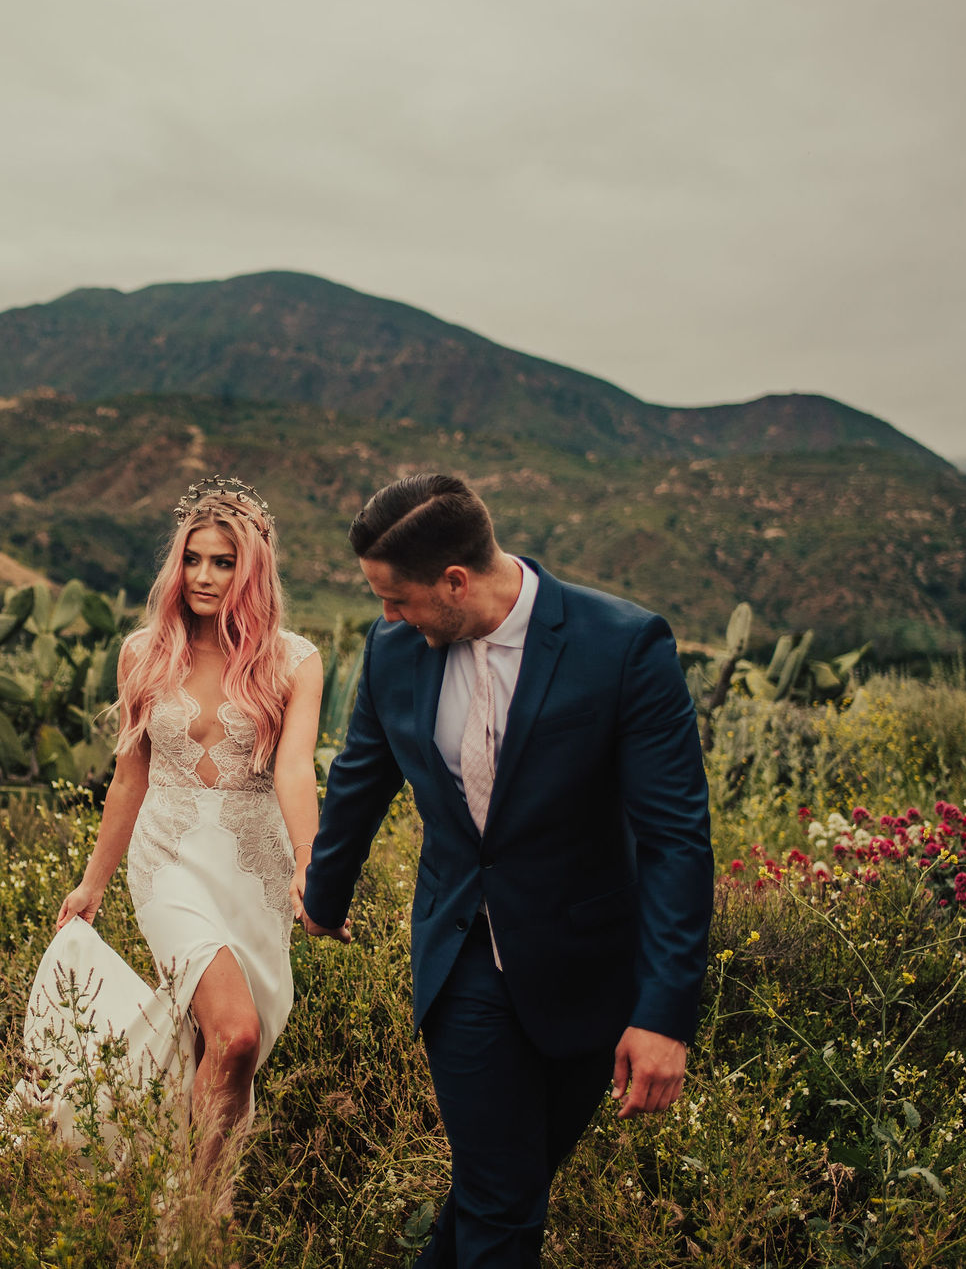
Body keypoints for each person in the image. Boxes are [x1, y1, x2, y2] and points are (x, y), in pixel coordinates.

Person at [297, 473, 713, 1267]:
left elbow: (676, 840)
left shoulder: (623, 646)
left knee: (506, 1188)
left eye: (398, 598)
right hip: (463, 964)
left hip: (587, 970)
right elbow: (359, 778)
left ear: (456, 580)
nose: (386, 617)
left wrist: (664, 1013)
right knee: (502, 1202)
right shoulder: (393, 653)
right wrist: (323, 897)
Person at [47, 475, 325, 1173]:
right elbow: (130, 778)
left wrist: (307, 860)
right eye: (193, 558)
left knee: (222, 1045)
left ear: (252, 570)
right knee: (234, 1033)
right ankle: (195, 1212)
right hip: (167, 858)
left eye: (224, 561)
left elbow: (295, 771)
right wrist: (91, 885)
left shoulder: (295, 661)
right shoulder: (143, 653)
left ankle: (205, 1199)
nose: (204, 575)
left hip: (254, 865)